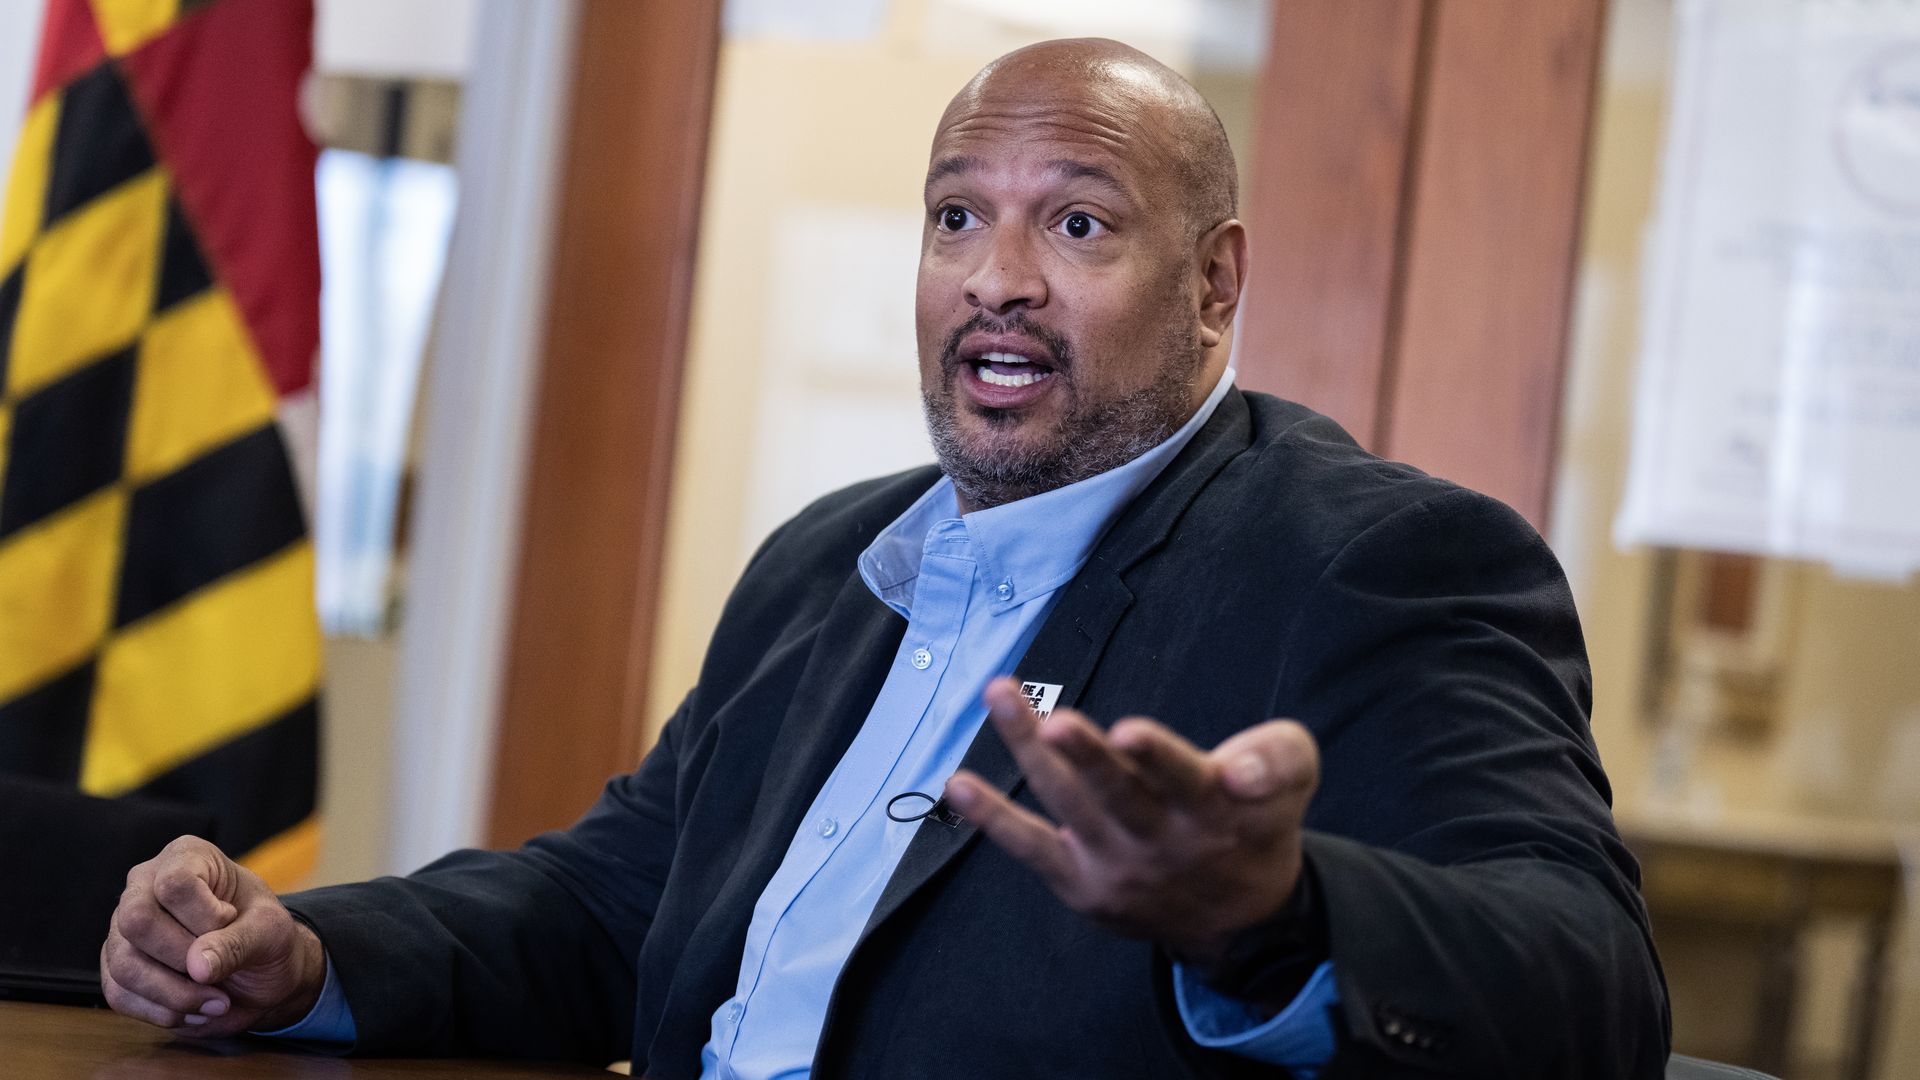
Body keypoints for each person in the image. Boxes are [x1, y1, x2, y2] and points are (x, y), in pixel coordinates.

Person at [99, 39, 1669, 1078]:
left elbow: (1595, 986)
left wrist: (1277, 912)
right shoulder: (827, 565)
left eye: (1076, 228)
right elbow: (609, 909)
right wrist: (308, 956)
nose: (997, 283)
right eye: (953, 217)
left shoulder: (1376, 562)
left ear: (1213, 285)